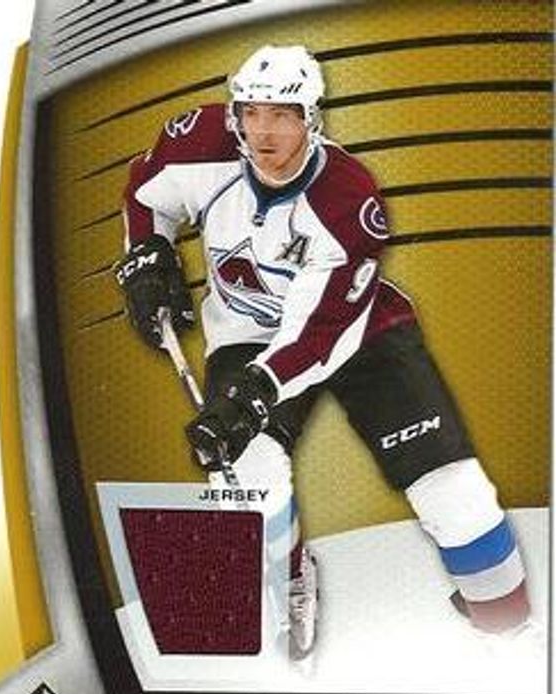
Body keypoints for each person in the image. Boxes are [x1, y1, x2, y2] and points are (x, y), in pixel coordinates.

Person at [115, 44, 530, 659]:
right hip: (247, 335)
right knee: (247, 482)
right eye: (252, 113)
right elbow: (147, 194)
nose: (264, 132)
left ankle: (509, 631)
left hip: (357, 334)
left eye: (282, 115)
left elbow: (317, 337)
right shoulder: (197, 144)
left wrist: (251, 398)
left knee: (454, 494)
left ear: (313, 119)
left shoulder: (347, 200)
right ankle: (290, 578)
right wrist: (148, 254)